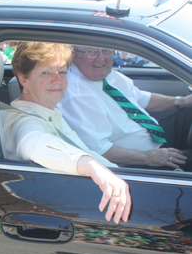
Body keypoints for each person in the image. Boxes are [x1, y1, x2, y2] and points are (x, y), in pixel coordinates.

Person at [4, 42, 131, 224]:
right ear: (24, 79)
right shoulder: (25, 121)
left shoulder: (48, 112)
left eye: (62, 72)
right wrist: (94, 168)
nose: (58, 80)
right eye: (46, 72)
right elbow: (33, 143)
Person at [57, 46, 192, 170]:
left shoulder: (105, 73)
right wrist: (149, 157)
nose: (101, 58)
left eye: (106, 51)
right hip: (137, 162)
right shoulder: (76, 95)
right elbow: (100, 150)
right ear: (75, 55)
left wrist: (182, 101)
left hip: (155, 136)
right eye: (92, 52)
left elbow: (140, 98)